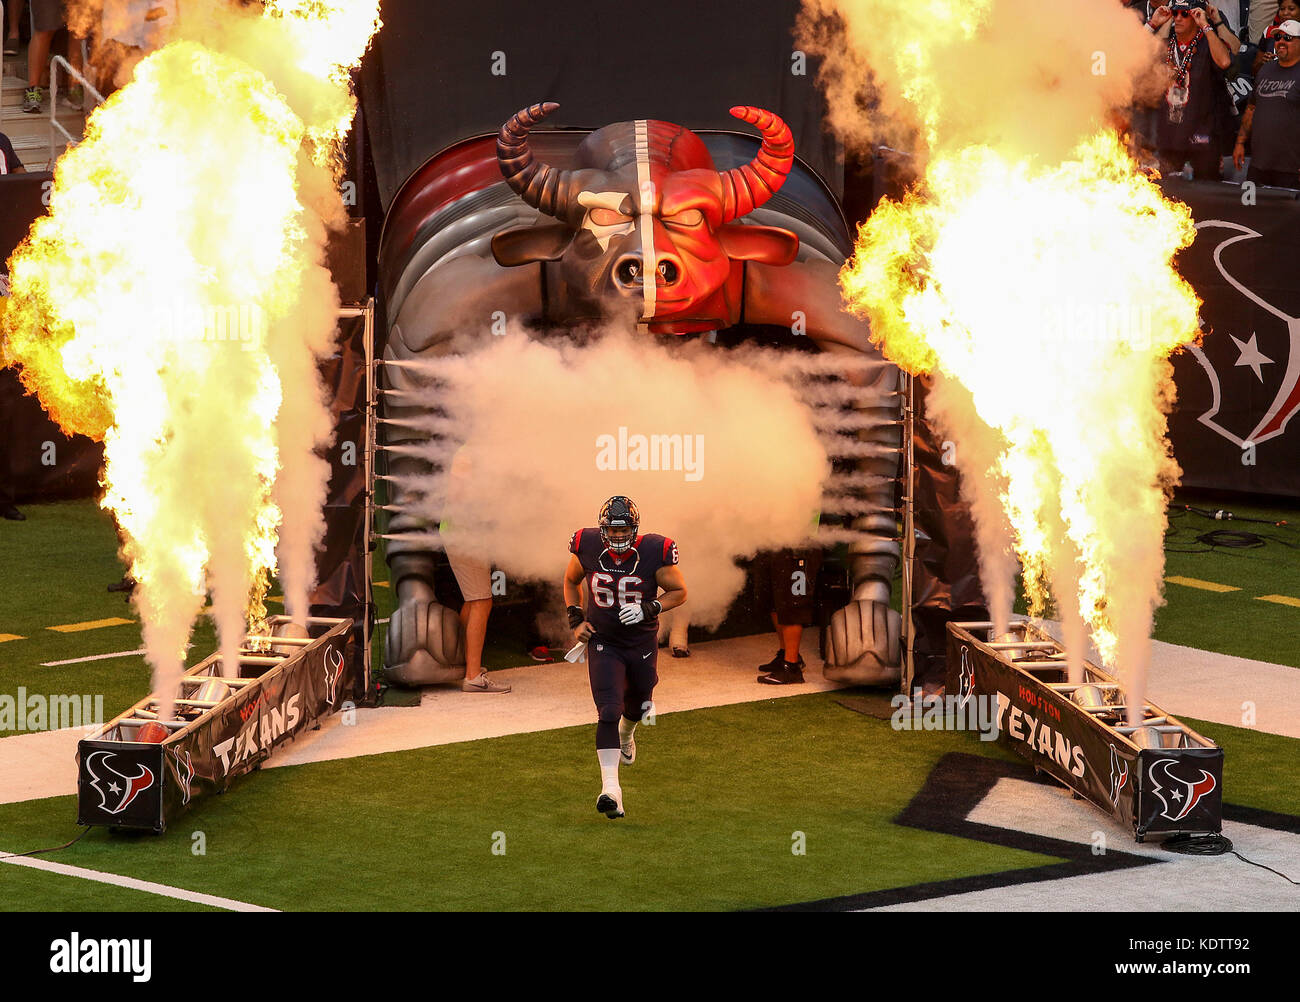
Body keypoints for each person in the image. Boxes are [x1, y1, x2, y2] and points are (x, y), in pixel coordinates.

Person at [563, 496, 687, 820]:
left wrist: (650, 606)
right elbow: (570, 581)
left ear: (635, 529)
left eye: (624, 531)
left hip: (641, 640)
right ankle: (610, 790)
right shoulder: (587, 544)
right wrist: (576, 619)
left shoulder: (654, 551)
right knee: (608, 709)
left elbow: (680, 591)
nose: (618, 538)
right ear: (602, 530)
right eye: (612, 531)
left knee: (640, 703)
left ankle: (627, 735)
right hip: (604, 641)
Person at [440, 445, 509, 693]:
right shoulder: (469, 454)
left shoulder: (473, 452)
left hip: (467, 534)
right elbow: (460, 496)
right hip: (464, 535)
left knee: (473, 601)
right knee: (481, 601)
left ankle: (462, 662)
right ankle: (472, 677)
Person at [1147, 0, 1239, 180]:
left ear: (1196, 16)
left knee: (1205, 196)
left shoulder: (1208, 44)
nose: (1178, 18)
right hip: (1170, 137)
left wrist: (1205, 25)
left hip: (1202, 138)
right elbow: (1135, 55)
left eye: (1185, 14)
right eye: (1175, 13)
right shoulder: (1165, 45)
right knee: (1166, 195)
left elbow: (1225, 62)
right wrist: (1156, 23)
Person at [1235, 19, 1300, 186]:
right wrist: (1240, 143)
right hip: (1258, 166)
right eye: (1278, 37)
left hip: (1291, 169)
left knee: (1286, 213)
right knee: (1250, 209)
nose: (1281, 42)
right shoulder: (1265, 69)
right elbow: (1251, 108)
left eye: (1288, 38)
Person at [753, 548, 822, 684]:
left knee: (792, 602)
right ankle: (786, 654)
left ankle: (791, 667)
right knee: (774, 601)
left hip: (798, 544)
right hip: (774, 541)